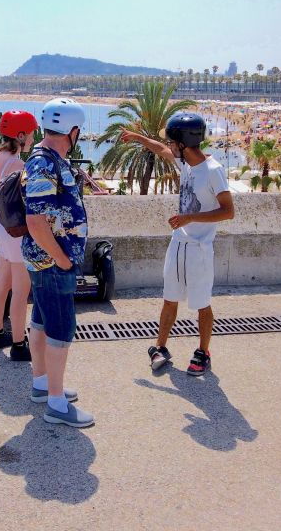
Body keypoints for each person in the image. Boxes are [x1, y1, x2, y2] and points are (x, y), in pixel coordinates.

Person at [120, 112, 234, 375]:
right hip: (178, 245)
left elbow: (228, 211)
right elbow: (160, 149)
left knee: (201, 303)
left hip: (200, 250)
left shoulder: (213, 171)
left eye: (173, 142)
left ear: (183, 143)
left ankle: (203, 351)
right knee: (169, 299)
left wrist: (189, 218)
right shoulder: (186, 163)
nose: (170, 146)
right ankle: (160, 347)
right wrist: (137, 137)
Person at [21, 98, 93, 427]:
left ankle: (42, 384)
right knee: (61, 328)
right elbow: (36, 221)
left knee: (41, 319)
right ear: (73, 130)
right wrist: (62, 259)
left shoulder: (50, 158)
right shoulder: (44, 163)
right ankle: (56, 402)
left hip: (46, 259)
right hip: (52, 261)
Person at [0, 110, 39, 361]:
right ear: (20, 135)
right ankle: (19, 344)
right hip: (16, 233)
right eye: (30, 134)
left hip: (1, 228)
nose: (32, 138)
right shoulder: (18, 164)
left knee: (2, 284)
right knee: (21, 289)